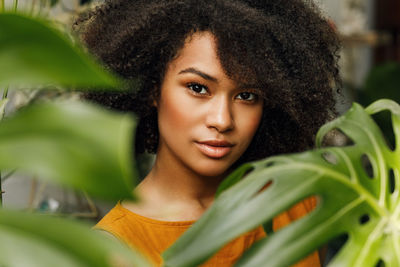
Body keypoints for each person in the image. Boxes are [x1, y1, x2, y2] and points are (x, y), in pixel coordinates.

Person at [74, 0, 340, 266]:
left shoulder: (297, 205)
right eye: (198, 88)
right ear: (153, 90)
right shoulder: (118, 251)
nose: (222, 120)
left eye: (246, 96)